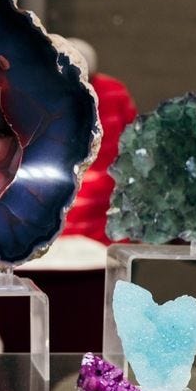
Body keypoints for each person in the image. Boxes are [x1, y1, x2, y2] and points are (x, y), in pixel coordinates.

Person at [60, 38, 137, 244]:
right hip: (81, 204)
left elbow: (134, 143)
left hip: (103, 204)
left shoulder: (113, 92)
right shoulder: (52, 95)